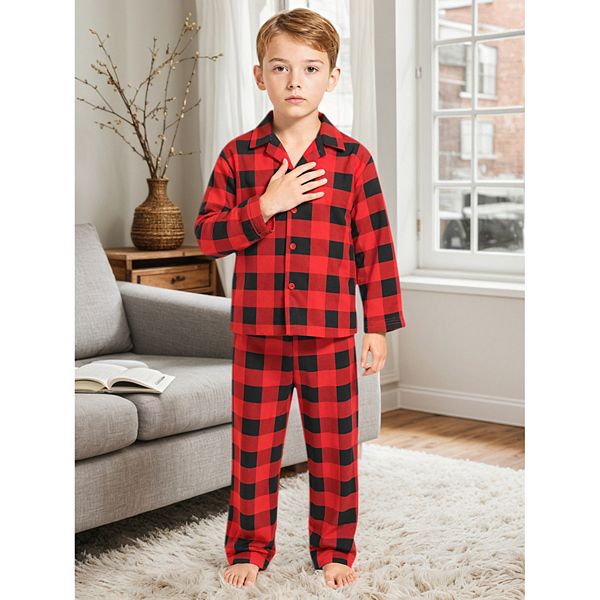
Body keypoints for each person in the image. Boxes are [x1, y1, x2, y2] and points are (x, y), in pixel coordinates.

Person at [194, 7, 406, 591]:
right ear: (258, 75)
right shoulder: (238, 156)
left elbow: (374, 248)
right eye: (280, 67)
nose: (294, 81)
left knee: (335, 451)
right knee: (253, 450)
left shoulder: (353, 159)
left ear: (332, 77)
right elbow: (207, 236)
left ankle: (335, 549)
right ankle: (248, 548)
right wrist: (266, 205)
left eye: (310, 68)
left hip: (330, 333)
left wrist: (377, 327)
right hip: (258, 334)